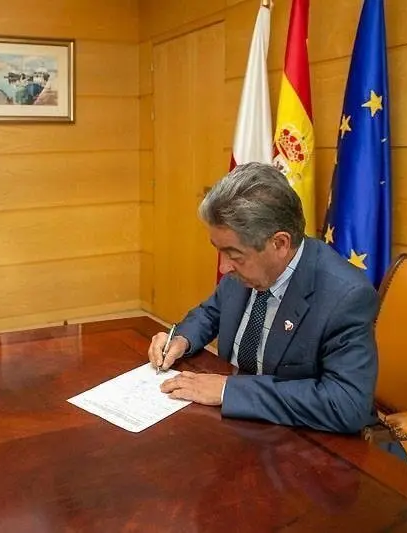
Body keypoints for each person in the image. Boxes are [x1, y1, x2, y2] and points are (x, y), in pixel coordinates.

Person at [148, 162, 379, 434]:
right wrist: (181, 339)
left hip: (308, 446)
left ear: (279, 244)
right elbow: (211, 312)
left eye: (234, 255)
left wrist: (228, 391)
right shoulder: (246, 270)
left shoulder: (345, 297)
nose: (224, 267)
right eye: (219, 251)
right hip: (236, 430)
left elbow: (346, 404)